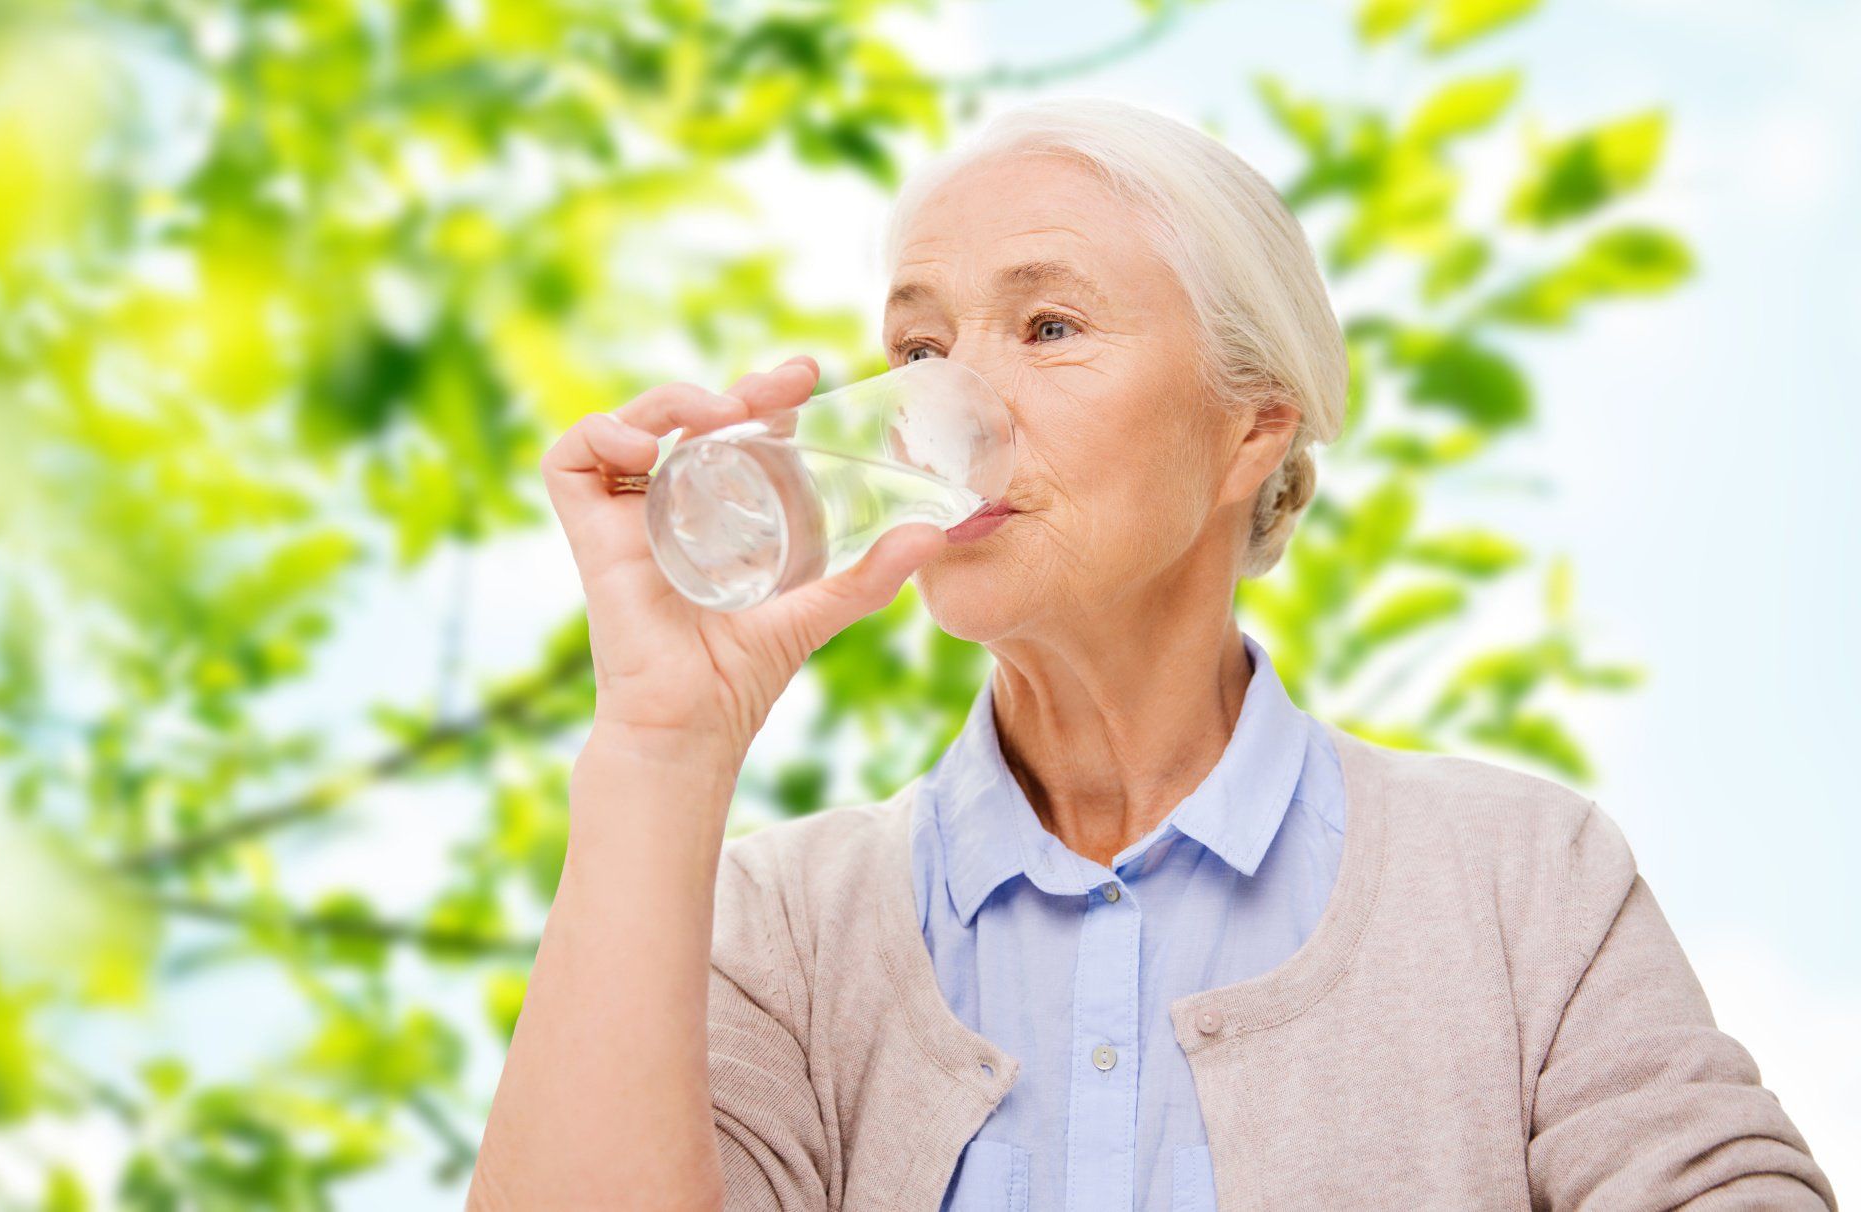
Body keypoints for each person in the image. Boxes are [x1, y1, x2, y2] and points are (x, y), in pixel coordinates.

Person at [468, 98, 1835, 1211]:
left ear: (1251, 431)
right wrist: (659, 744)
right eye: (920, 345)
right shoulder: (783, 926)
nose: (945, 409)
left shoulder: (1521, 879)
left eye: (1049, 327)